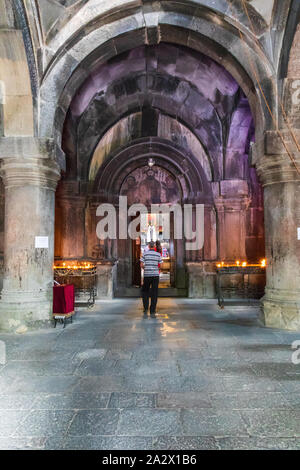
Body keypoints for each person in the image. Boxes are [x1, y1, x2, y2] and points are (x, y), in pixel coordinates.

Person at [140, 241, 162, 318]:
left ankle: (146, 308)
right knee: (154, 292)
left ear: (149, 246)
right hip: (155, 275)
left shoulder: (145, 254)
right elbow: (160, 265)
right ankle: (152, 309)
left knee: (145, 291)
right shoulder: (158, 254)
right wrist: (156, 268)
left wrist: (145, 268)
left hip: (147, 275)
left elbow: (141, 264)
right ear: (154, 246)